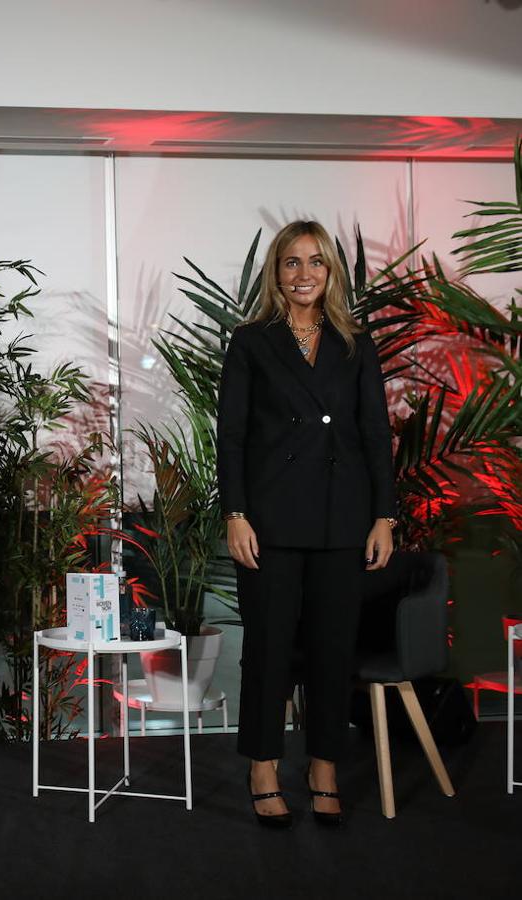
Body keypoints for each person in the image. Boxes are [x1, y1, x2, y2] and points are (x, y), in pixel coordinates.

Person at [217, 220, 395, 830]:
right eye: (291, 262)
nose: (304, 274)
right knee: (266, 651)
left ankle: (324, 766)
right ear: (277, 272)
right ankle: (263, 766)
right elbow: (233, 437)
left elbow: (375, 434)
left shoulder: (355, 343)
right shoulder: (250, 342)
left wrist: (383, 515)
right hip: (269, 518)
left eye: (315, 262)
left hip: (342, 517)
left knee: (331, 649)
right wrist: (236, 514)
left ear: (331, 273)